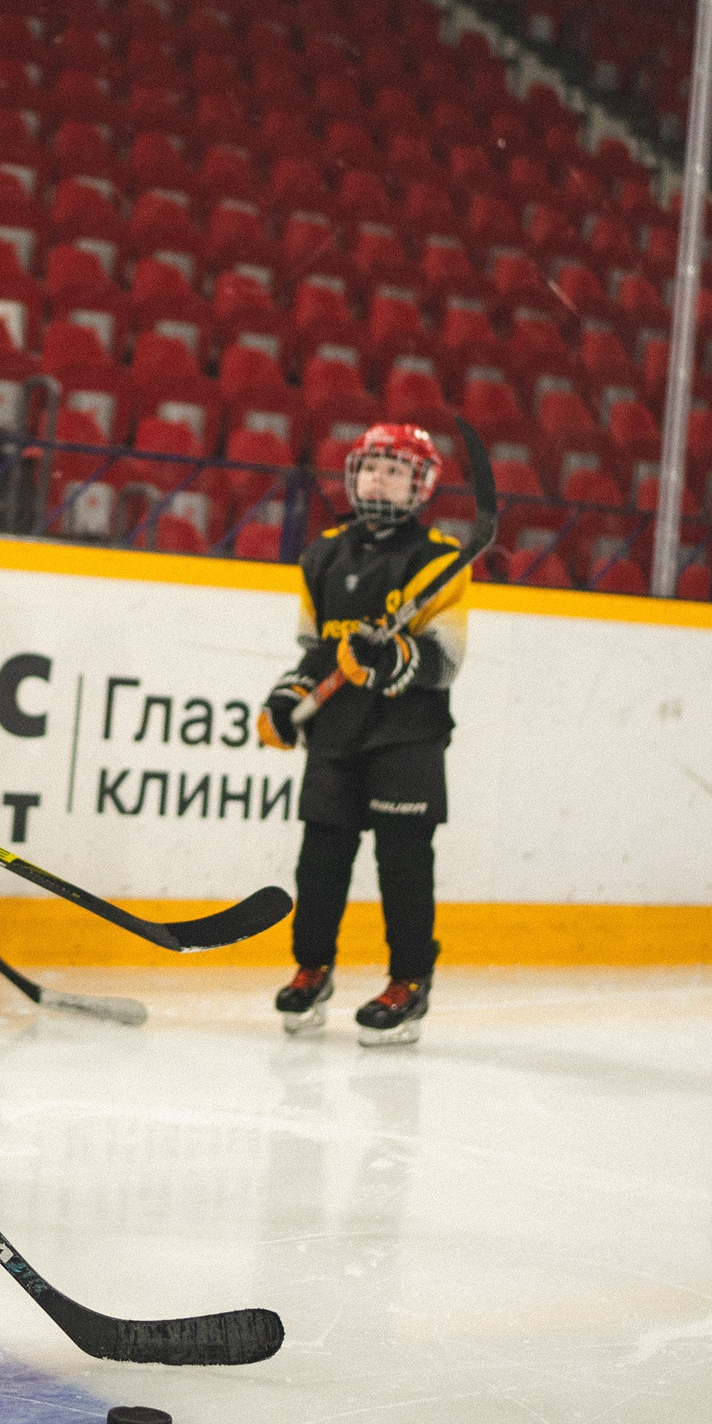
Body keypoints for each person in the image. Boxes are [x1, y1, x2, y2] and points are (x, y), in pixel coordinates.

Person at [253, 423, 469, 1046]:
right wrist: (288, 696)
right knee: (319, 861)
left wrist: (393, 658)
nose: (379, 479)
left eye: (395, 470)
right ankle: (312, 968)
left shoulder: (441, 560)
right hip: (337, 733)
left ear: (420, 485)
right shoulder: (321, 553)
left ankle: (408, 982)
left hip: (408, 733)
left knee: (403, 864)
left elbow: (444, 658)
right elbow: (316, 652)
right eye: (371, 467)